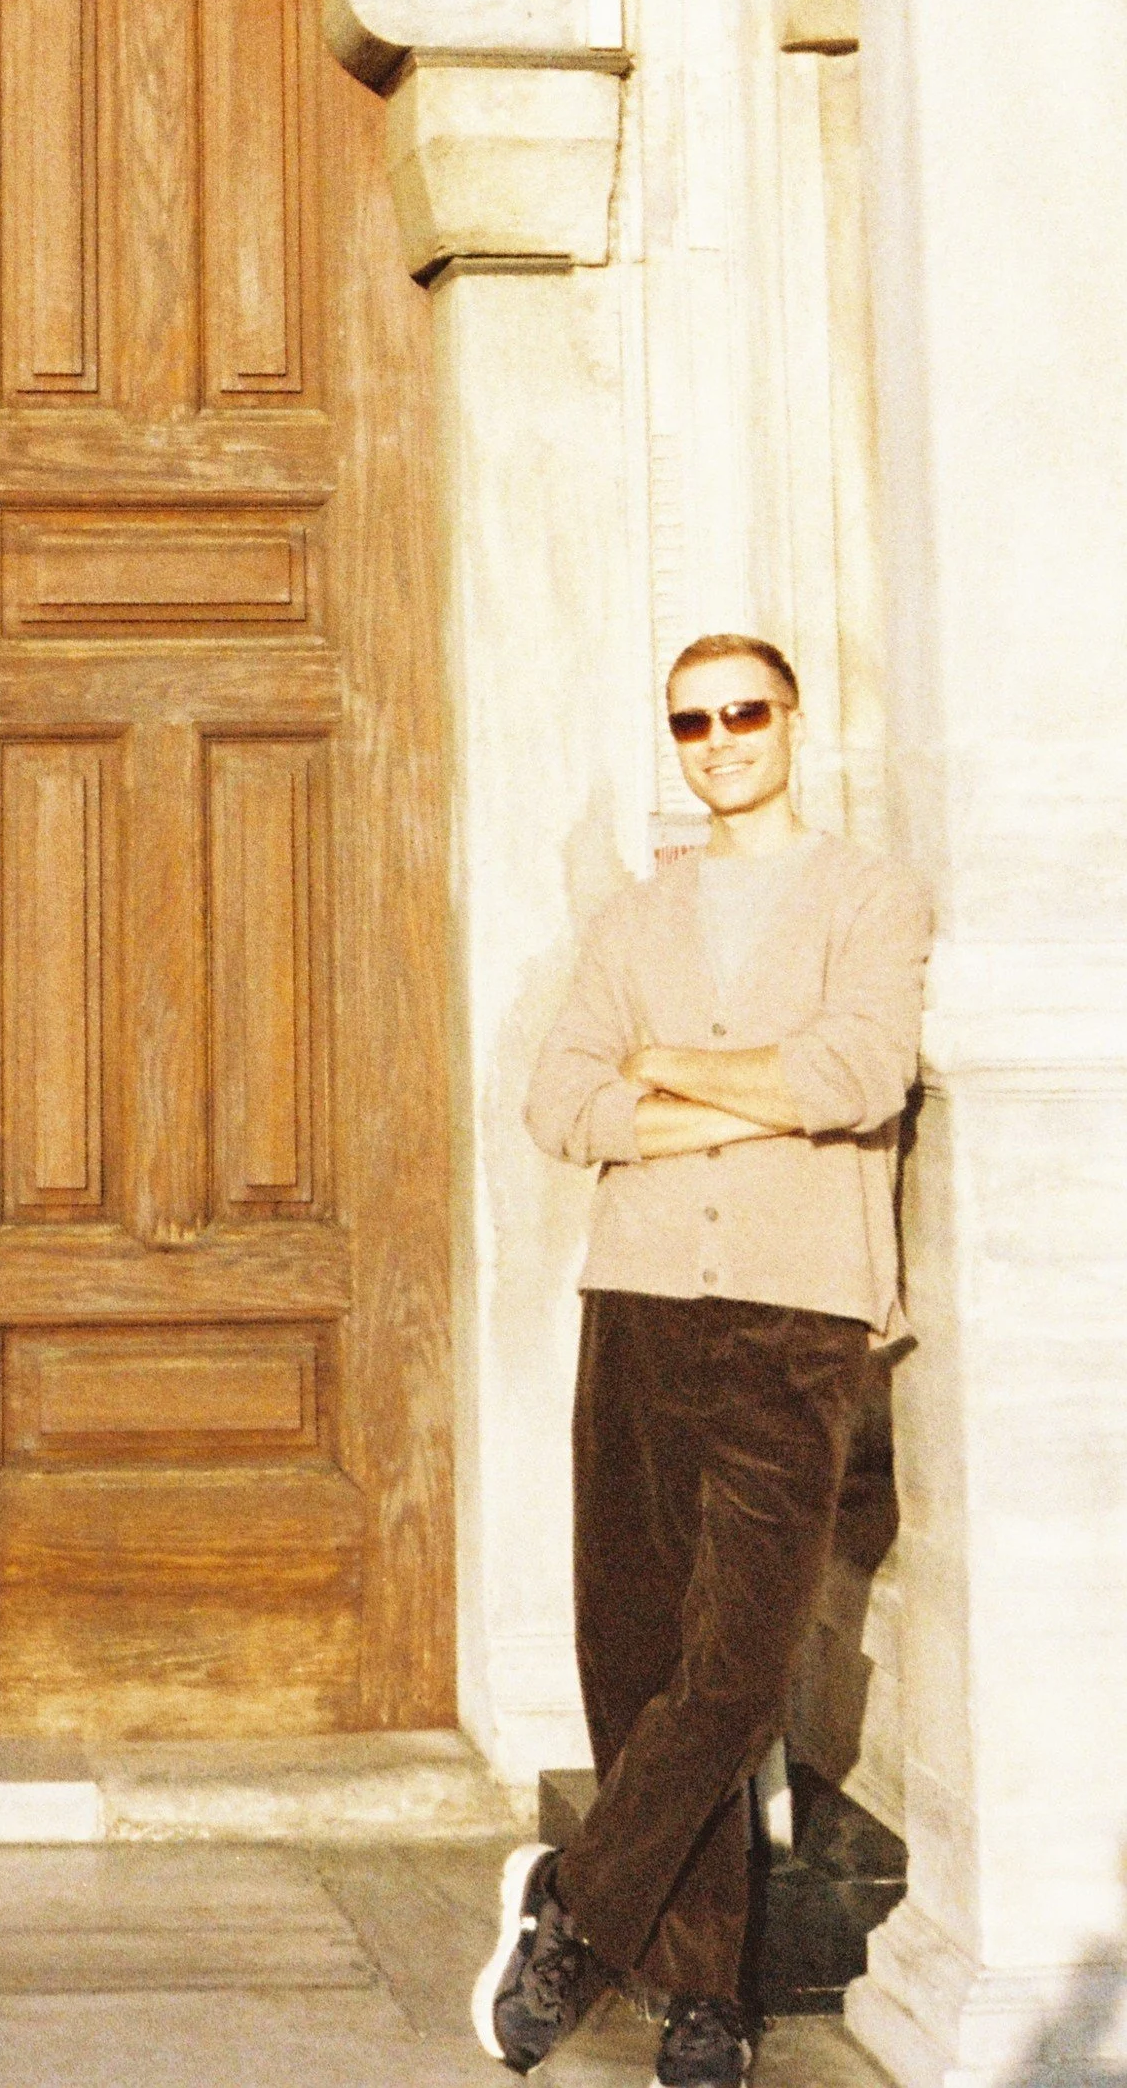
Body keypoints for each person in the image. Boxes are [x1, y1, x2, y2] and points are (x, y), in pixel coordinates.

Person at [472, 634, 931, 2088]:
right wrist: (743, 1096)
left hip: (801, 1315)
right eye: (694, 722)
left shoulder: (872, 892)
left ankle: (574, 1907)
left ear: (794, 721)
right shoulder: (638, 920)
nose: (720, 738)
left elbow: (856, 1073)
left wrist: (662, 1070)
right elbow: (561, 1102)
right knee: (638, 1651)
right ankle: (703, 2000)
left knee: (735, 1668)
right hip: (645, 1299)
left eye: (745, 712)